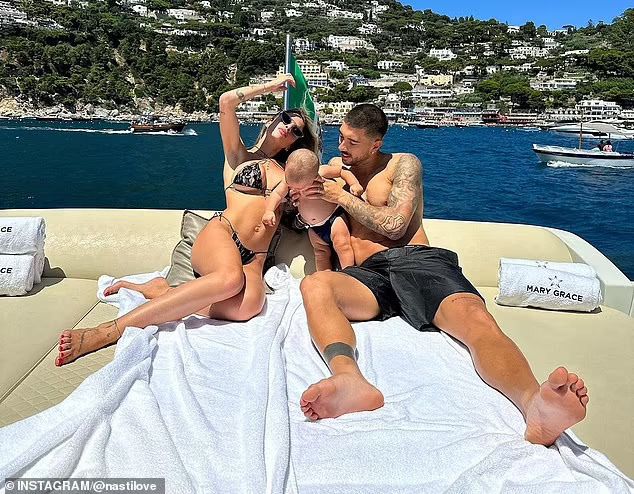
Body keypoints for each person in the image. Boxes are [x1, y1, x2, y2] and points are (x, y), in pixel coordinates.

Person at [298, 104, 589, 447]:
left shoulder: (402, 164)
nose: (342, 146)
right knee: (315, 285)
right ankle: (349, 379)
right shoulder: (336, 171)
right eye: (341, 137)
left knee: (476, 320)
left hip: (416, 260)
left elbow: (396, 226)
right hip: (368, 275)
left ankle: (534, 404)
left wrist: (342, 198)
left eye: (353, 141)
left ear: (376, 144)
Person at [55, 74, 317, 367]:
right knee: (230, 280)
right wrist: (269, 87)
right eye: (286, 119)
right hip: (223, 235)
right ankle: (108, 331)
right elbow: (226, 102)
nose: (288, 127)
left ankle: (164, 291)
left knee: (249, 306)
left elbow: (312, 207)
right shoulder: (239, 155)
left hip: (255, 256)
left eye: (296, 130)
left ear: (297, 141)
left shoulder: (291, 172)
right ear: (272, 119)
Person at [262, 148, 364, 270]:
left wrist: (354, 184)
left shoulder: (322, 172)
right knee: (320, 253)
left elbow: (342, 171)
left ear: (315, 174)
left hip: (333, 218)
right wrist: (269, 211)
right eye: (292, 185)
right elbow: (277, 194)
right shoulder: (287, 180)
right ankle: (325, 275)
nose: (296, 189)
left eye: (302, 187)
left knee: (342, 245)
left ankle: (348, 273)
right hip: (313, 227)